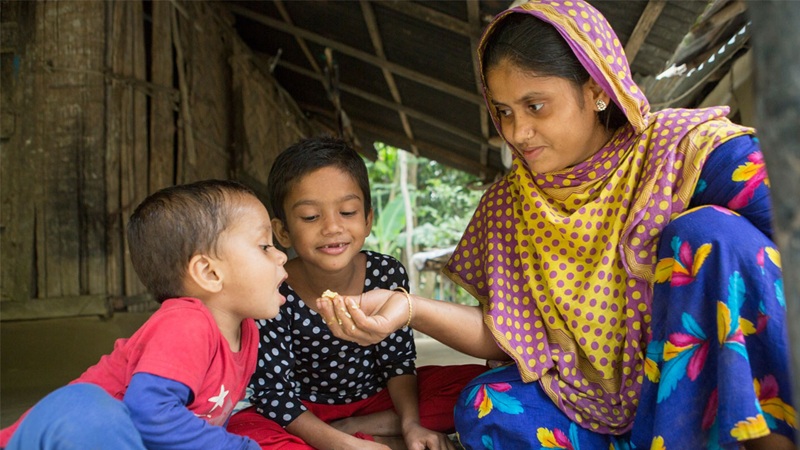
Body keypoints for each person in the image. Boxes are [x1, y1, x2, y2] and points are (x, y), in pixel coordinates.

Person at [316, 1, 796, 449]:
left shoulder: (680, 151)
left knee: (710, 236)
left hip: (693, 402)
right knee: (487, 406)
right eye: (503, 111)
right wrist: (407, 308)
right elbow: (510, 332)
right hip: (581, 409)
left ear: (596, 91)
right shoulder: (508, 206)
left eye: (535, 106)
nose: (516, 133)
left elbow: (786, 229)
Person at [226, 136, 487, 450]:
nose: (332, 227)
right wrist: (346, 446)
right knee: (242, 430)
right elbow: (275, 394)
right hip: (303, 409)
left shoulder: (385, 272)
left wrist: (411, 425)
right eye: (310, 216)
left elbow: (398, 362)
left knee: (481, 388)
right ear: (282, 231)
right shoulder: (273, 287)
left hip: (377, 401)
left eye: (347, 212)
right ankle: (349, 438)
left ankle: (355, 428)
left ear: (368, 220)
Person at [0, 179, 288, 450]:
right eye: (264, 246)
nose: (282, 256)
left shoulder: (247, 331)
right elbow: (151, 413)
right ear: (209, 272)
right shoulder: (187, 323)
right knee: (84, 405)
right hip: (51, 438)